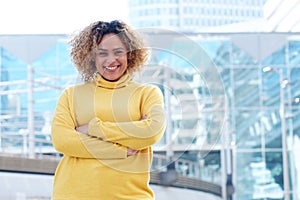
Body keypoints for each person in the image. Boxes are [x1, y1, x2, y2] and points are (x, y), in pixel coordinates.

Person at [51, 20, 166, 199]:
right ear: (91, 57)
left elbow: (151, 132)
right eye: (102, 53)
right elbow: (62, 141)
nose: (111, 60)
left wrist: (92, 129)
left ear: (130, 54)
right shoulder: (71, 95)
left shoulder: (147, 93)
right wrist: (122, 149)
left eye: (118, 52)